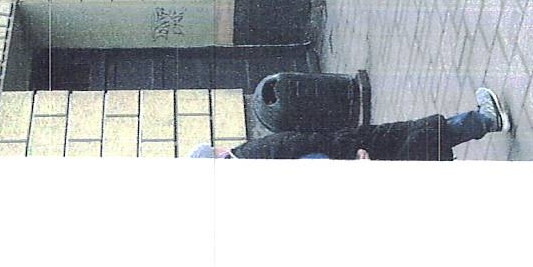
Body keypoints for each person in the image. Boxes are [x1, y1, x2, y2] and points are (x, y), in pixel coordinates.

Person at [191, 91, 512, 161]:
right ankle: (485, 119)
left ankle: (483, 120)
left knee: (419, 137)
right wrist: (351, 156)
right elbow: (307, 151)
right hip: (354, 151)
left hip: (351, 150)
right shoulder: (253, 155)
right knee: (417, 137)